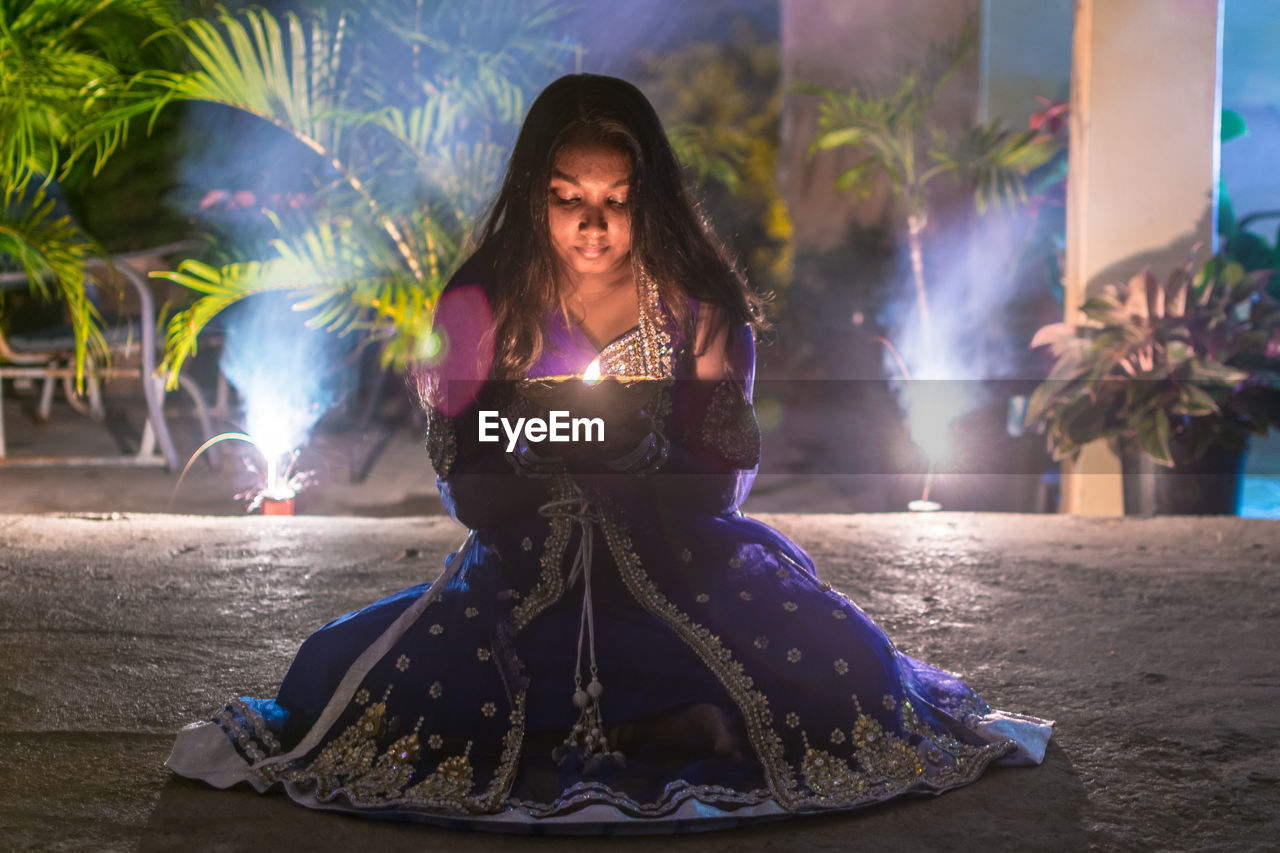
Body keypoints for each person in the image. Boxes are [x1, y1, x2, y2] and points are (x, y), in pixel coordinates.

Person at [167, 73, 1052, 831]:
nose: (593, 224)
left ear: (649, 197)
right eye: (566, 197)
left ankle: (658, 721)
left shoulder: (700, 309)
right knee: (346, 674)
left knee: (841, 671)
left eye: (617, 200)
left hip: (681, 560)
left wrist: (637, 460)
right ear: (533, 193)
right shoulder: (481, 300)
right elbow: (463, 471)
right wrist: (545, 464)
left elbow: (722, 480)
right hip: (524, 561)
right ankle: (661, 724)